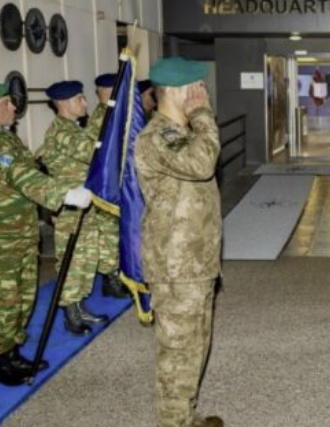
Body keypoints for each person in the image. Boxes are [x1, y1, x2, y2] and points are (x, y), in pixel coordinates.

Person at [134, 57, 223, 427]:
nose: (202, 93)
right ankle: (174, 422)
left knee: (195, 347)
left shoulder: (182, 134)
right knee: (177, 355)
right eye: (196, 88)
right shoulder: (158, 137)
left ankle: (184, 415)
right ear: (175, 91)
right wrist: (202, 113)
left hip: (196, 261)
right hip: (175, 266)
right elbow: (202, 164)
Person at [0, 83, 92, 385]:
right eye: (6, 103)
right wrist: (64, 194)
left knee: (23, 297)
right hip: (4, 238)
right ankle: (3, 360)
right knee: (5, 301)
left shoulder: (7, 139)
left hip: (21, 234)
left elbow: (31, 168)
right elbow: (21, 175)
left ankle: (11, 352)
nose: (14, 107)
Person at [37, 80, 110, 336]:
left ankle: (79, 306)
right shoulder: (62, 132)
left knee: (86, 258)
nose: (86, 103)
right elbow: (95, 154)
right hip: (70, 208)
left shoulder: (73, 128)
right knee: (72, 261)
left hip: (84, 205)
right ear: (65, 103)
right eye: (80, 99)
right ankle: (70, 313)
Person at [88, 72, 128, 299]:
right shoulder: (103, 118)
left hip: (116, 181)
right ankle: (110, 278)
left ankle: (115, 274)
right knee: (108, 232)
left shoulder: (112, 114)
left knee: (114, 231)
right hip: (107, 185)